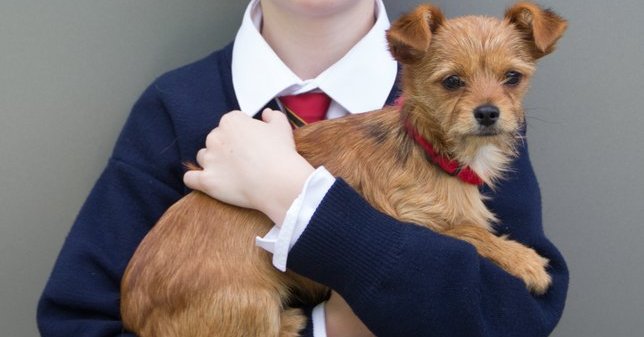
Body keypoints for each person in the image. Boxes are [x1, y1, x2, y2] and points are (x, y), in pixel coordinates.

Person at [37, 0, 568, 336]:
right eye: (451, 81)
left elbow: (516, 312)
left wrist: (294, 196)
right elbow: (75, 317)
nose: (488, 94)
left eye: (512, 78)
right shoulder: (175, 106)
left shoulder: (483, 123)